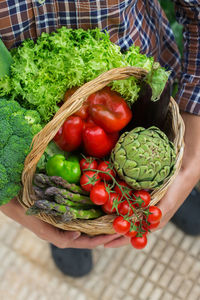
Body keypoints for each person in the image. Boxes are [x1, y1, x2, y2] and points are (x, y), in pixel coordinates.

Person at [0, 0, 200, 277]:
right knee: (53, 191)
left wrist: (190, 164)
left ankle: (167, 184)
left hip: (140, 89)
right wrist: (14, 205)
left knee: (162, 143)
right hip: (29, 130)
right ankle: (67, 213)